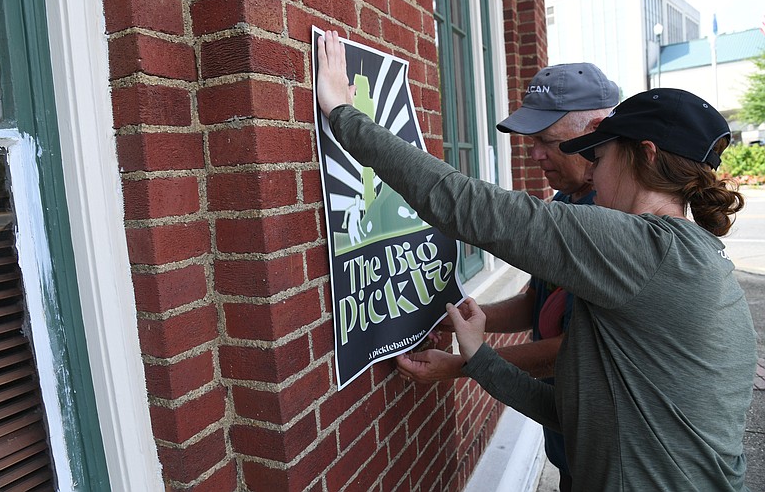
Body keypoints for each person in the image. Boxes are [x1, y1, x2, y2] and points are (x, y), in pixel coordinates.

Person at [316, 30, 757, 490]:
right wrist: (479, 358)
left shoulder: (644, 250)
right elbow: (572, 415)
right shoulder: (683, 254)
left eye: (599, 156)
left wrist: (343, 114)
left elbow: (463, 204)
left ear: (643, 157)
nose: (593, 170)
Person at [395, 61, 619, 492]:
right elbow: (539, 301)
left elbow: (569, 353)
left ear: (596, 129)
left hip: (608, 460)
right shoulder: (566, 201)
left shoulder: (610, 221)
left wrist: (461, 366)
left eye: (547, 142)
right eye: (531, 142)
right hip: (568, 443)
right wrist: (461, 317)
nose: (534, 155)